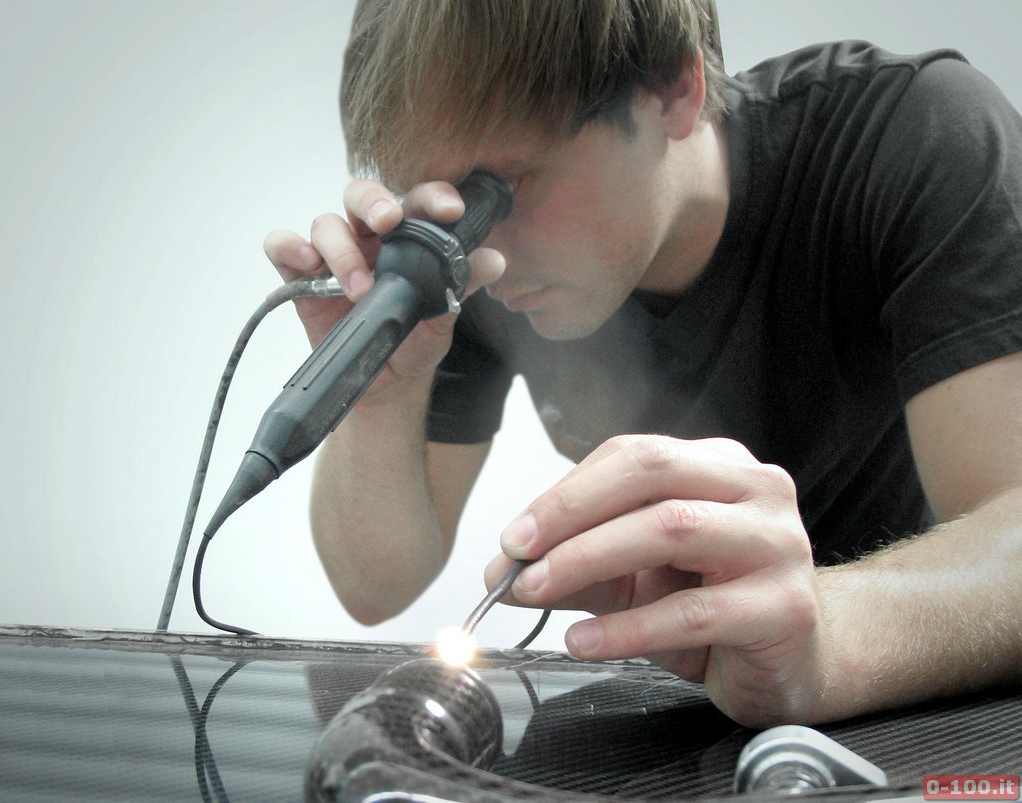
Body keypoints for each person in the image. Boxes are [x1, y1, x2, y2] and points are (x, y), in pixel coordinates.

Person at [264, 0, 1022, 728]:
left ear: (675, 91)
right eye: (446, 215)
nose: (481, 252)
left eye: (505, 188)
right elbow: (375, 586)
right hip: (671, 725)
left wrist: (816, 636)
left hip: (917, 714)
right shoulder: (478, 262)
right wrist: (380, 388)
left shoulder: (913, 137)